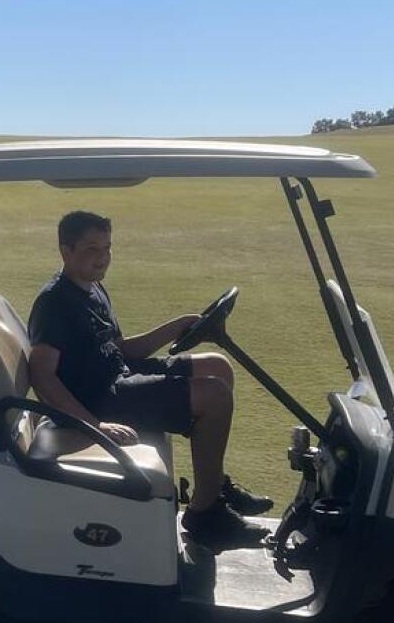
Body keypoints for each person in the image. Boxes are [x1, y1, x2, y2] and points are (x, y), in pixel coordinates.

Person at [26, 209, 271, 547]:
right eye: (91, 249)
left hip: (119, 376)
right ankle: (204, 513)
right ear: (65, 251)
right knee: (214, 396)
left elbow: (124, 349)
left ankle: (216, 485)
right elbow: (43, 377)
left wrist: (178, 325)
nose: (102, 258)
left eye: (107, 248)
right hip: (100, 400)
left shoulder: (93, 289)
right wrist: (95, 426)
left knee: (218, 366)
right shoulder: (54, 303)